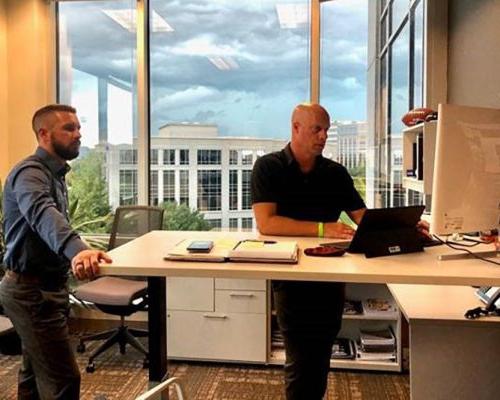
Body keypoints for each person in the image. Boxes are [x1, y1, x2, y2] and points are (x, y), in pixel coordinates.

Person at [251, 103, 366, 400]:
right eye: (317, 129)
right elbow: (267, 224)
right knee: (301, 360)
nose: (324, 136)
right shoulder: (268, 167)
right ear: (296, 127)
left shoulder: (335, 173)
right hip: (293, 278)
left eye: (327, 129)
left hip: (330, 277)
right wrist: (321, 228)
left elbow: (362, 217)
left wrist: (402, 226)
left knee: (320, 358)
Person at [0, 104, 112, 400]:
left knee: (35, 376)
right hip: (30, 292)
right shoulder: (29, 173)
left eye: (78, 127)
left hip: (46, 288)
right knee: (63, 380)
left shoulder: (56, 175)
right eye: (69, 128)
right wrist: (76, 249)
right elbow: (42, 212)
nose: (78, 134)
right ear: (44, 134)